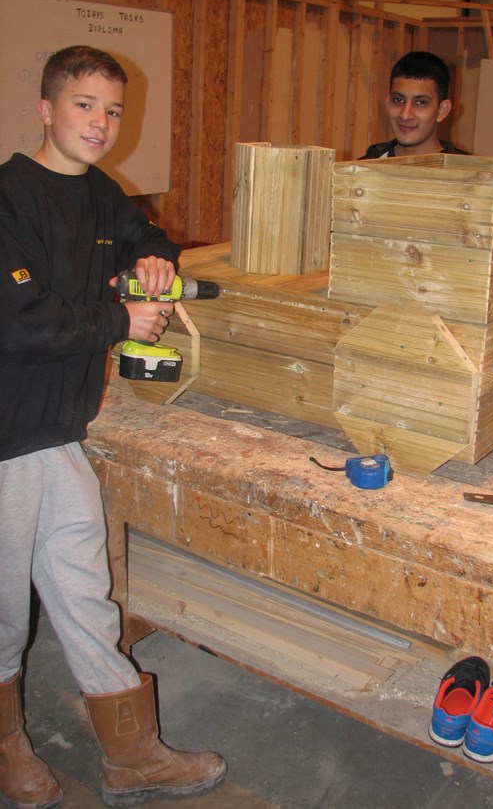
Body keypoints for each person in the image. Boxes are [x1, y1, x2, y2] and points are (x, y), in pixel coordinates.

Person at [0, 46, 227, 808]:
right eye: (84, 104)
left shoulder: (101, 192)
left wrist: (158, 259)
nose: (101, 122)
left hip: (56, 432)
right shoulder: (7, 197)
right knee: (3, 608)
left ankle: (132, 756)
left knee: (84, 587)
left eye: (114, 109)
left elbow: (143, 236)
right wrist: (120, 317)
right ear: (46, 108)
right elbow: (20, 320)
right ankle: (7, 750)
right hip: (5, 438)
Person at [358, 50, 467, 159]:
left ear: (442, 110)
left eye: (421, 102)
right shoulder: (359, 171)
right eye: (398, 100)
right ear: (388, 103)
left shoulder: (468, 173)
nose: (405, 115)